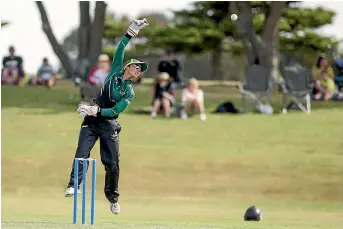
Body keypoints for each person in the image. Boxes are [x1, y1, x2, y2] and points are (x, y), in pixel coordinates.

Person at [64, 19, 149, 215]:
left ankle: (113, 198)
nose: (138, 70)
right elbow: (120, 48)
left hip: (108, 124)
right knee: (81, 153)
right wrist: (130, 33)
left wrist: (98, 111)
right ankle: (73, 185)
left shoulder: (129, 93)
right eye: (136, 66)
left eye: (140, 70)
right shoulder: (115, 72)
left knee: (111, 163)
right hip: (92, 122)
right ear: (127, 67)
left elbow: (115, 111)